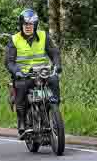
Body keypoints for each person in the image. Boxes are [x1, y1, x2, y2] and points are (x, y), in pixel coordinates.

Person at [4, 9, 62, 139]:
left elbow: (54, 52)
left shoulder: (43, 36)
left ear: (35, 25)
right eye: (25, 25)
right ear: (21, 25)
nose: (28, 27)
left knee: (54, 79)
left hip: (42, 72)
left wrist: (57, 65)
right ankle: (22, 122)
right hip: (24, 75)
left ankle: (54, 110)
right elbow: (9, 62)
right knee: (22, 88)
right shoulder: (14, 39)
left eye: (31, 25)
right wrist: (17, 72)